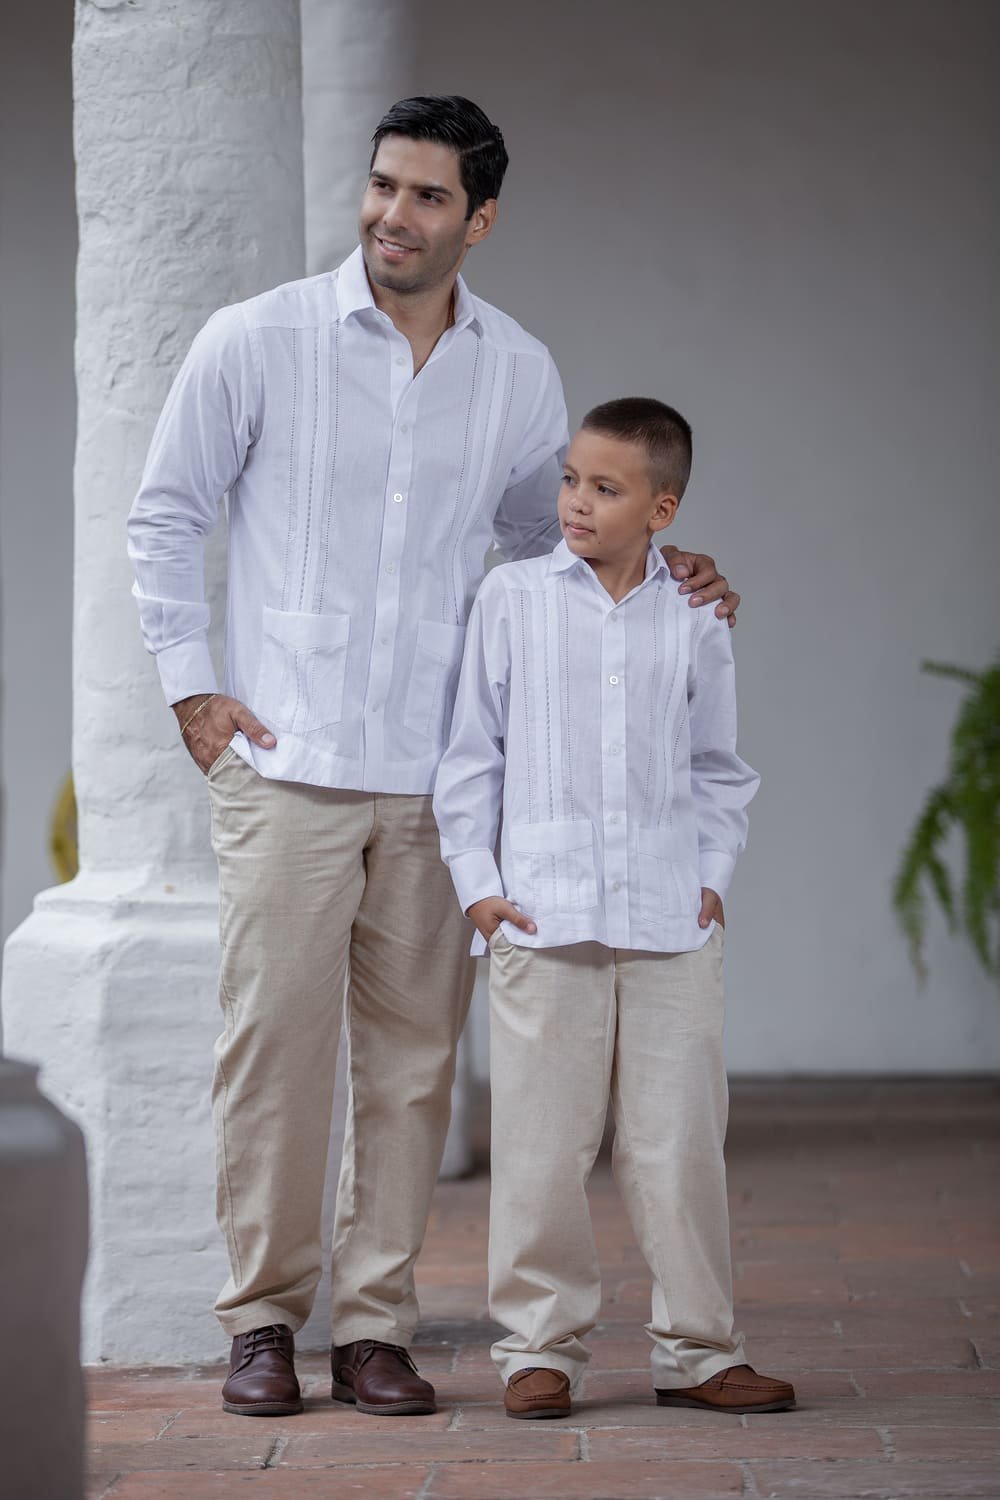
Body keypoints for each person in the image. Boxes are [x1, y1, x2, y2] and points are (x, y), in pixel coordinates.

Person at [127, 96, 741, 1420]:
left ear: (480, 220)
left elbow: (547, 550)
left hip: (434, 776)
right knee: (275, 1053)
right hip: (286, 763)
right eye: (383, 186)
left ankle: (375, 1327)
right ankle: (263, 1321)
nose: (392, 216)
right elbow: (169, 512)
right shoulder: (260, 340)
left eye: (425, 198)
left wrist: (662, 569)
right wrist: (194, 692)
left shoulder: (517, 371)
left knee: (411, 1068)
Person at [433, 398, 794, 1418]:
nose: (575, 503)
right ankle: (540, 1346)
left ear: (661, 507)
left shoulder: (695, 615)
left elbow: (718, 764)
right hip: (542, 916)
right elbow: (473, 756)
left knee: (677, 1141)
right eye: (570, 480)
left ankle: (699, 1349)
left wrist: (714, 873)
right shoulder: (511, 598)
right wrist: (482, 889)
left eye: (605, 487)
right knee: (543, 1145)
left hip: (670, 916)